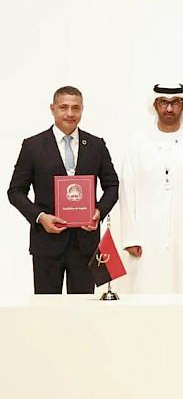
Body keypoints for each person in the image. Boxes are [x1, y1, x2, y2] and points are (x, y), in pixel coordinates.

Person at [7, 86, 119, 294]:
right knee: (47, 307)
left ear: (82, 109)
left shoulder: (96, 145)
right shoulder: (33, 146)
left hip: (85, 243)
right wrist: (40, 217)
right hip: (46, 242)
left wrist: (99, 211)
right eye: (63, 107)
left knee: (83, 307)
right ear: (52, 108)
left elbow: (112, 185)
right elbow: (15, 191)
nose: (70, 113)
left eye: (76, 108)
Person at [118, 84, 183, 293]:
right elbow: (127, 191)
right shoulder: (137, 143)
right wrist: (130, 237)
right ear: (155, 105)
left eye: (175, 103)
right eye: (163, 102)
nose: (169, 109)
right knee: (146, 289)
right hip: (146, 236)